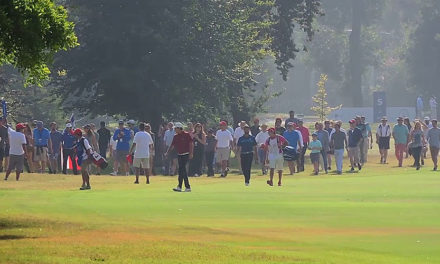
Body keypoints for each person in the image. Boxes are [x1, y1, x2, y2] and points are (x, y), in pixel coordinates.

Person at [166, 123, 193, 192]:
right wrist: (167, 152)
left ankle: (186, 187)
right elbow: (172, 145)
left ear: (179, 128)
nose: (175, 130)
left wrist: (191, 153)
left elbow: (191, 144)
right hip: (179, 154)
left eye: (176, 128)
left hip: (186, 154)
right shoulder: (175, 136)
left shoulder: (186, 134)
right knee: (181, 170)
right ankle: (181, 186)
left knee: (182, 169)